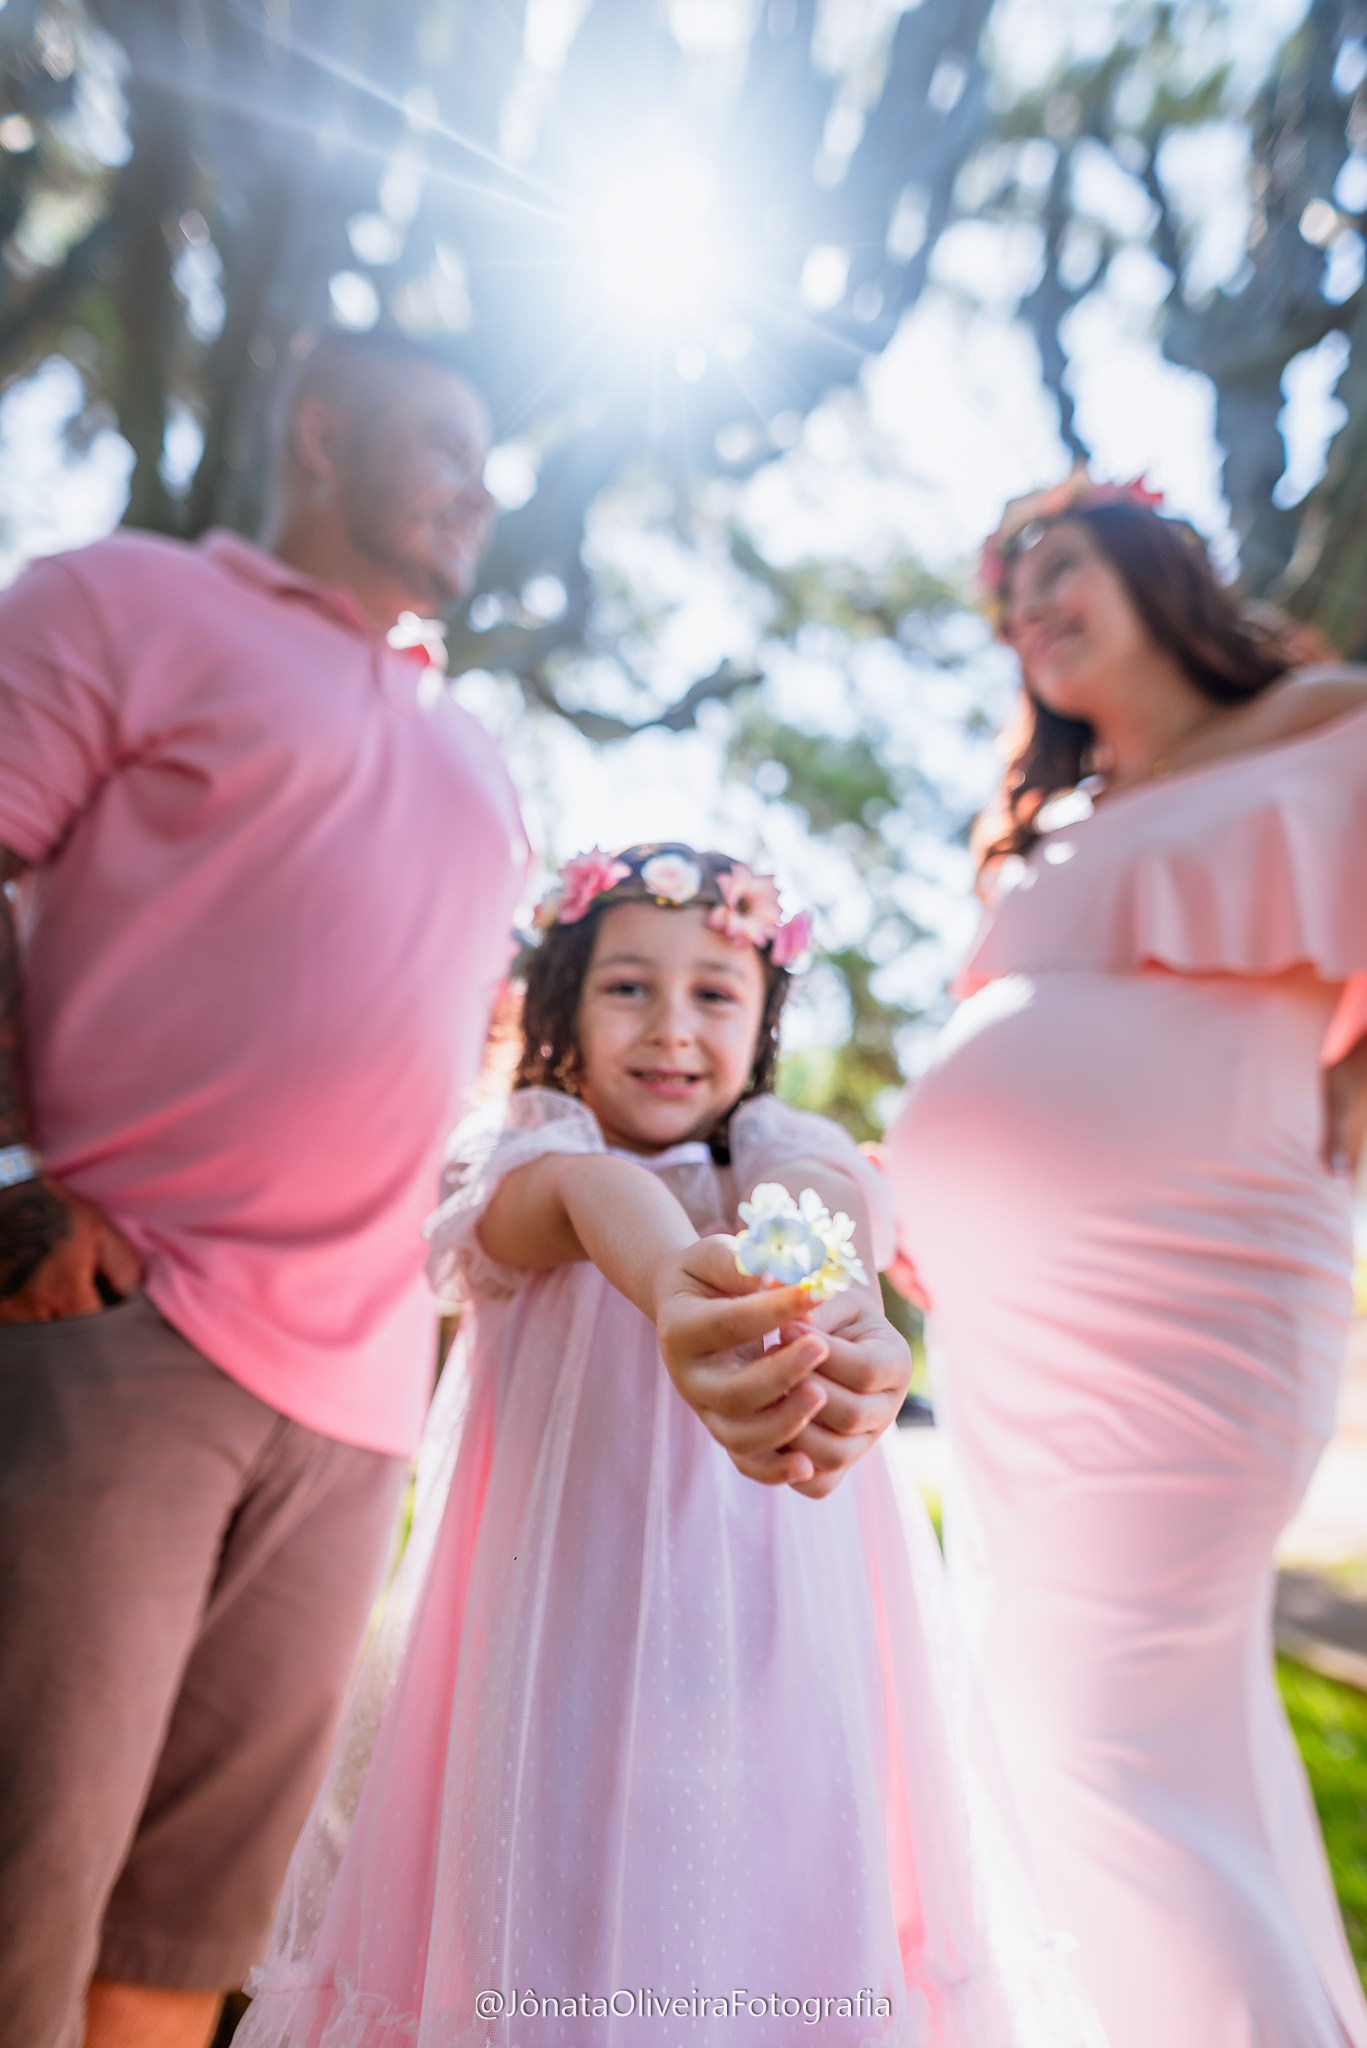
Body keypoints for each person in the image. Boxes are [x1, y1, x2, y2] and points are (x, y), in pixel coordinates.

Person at [237, 844, 1107, 2048]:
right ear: (561, 1009)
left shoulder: (784, 1154)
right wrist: (671, 1283)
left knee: (765, 1854)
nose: (669, 1026)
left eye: (712, 992)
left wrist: (847, 1312)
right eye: (625, 986)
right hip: (558, 1620)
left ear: (760, 1023)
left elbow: (826, 1198)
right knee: (559, 1864)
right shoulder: (529, 1149)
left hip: (767, 1611)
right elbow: (588, 1198)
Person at [0, 329, 530, 2048]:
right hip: (119, 1326)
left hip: (359, 1406)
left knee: (180, 1937)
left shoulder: (479, 762)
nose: (477, 482)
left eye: (488, 452)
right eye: (441, 437)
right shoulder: (120, 602)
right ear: (318, 432)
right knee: (23, 1886)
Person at [883, 471, 1367, 2048]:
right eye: (1009, 598)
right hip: (1016, 1358)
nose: (1030, 612)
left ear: (1160, 568)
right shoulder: (1059, 828)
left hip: (1198, 1297)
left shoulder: (1326, 719)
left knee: (1101, 1740)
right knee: (1061, 1745)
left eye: (1060, 569)